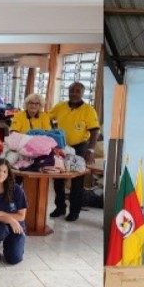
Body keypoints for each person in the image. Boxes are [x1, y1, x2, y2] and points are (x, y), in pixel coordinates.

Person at [48, 82, 100, 222]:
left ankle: (74, 211)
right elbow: (48, 117)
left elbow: (95, 130)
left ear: (82, 93)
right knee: (58, 179)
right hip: (61, 147)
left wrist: (90, 149)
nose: (74, 93)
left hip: (79, 147)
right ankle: (60, 208)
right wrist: (53, 128)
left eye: (77, 91)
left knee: (77, 181)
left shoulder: (89, 110)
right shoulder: (60, 106)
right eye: (72, 90)